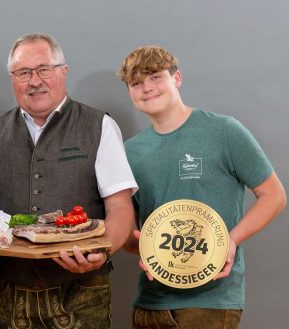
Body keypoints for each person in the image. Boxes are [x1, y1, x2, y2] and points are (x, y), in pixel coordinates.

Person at [119, 45, 287, 329]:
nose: (147, 88)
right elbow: (129, 233)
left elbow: (274, 195)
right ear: (130, 92)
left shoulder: (224, 131)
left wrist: (231, 240)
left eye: (155, 77)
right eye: (136, 83)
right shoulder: (129, 152)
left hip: (210, 303)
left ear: (177, 78)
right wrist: (141, 246)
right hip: (150, 304)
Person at [0, 33, 138, 328]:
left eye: (44, 69)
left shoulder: (99, 125)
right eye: (23, 73)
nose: (34, 81)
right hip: (12, 291)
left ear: (63, 71)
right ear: (12, 78)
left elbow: (120, 206)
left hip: (83, 290)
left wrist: (102, 253)